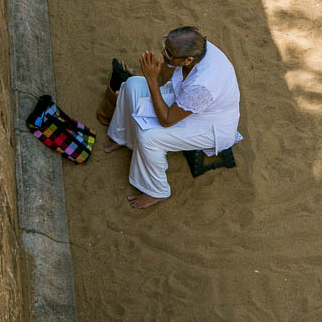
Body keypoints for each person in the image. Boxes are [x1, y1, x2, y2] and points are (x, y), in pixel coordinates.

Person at [103, 27, 241, 208]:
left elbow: (166, 120)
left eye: (168, 52)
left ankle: (157, 190)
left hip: (209, 124)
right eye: (165, 46)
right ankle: (124, 137)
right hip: (187, 101)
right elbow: (163, 80)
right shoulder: (194, 49)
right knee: (132, 84)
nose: (163, 53)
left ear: (188, 60)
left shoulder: (203, 86)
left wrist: (151, 80)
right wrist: (163, 66)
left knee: (149, 137)